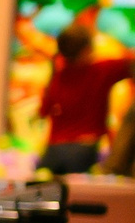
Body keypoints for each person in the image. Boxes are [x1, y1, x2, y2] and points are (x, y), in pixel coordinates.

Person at [36, 22, 131, 176]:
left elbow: (43, 111)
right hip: (84, 148)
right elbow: (129, 64)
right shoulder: (102, 71)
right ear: (87, 50)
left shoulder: (58, 78)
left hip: (53, 150)